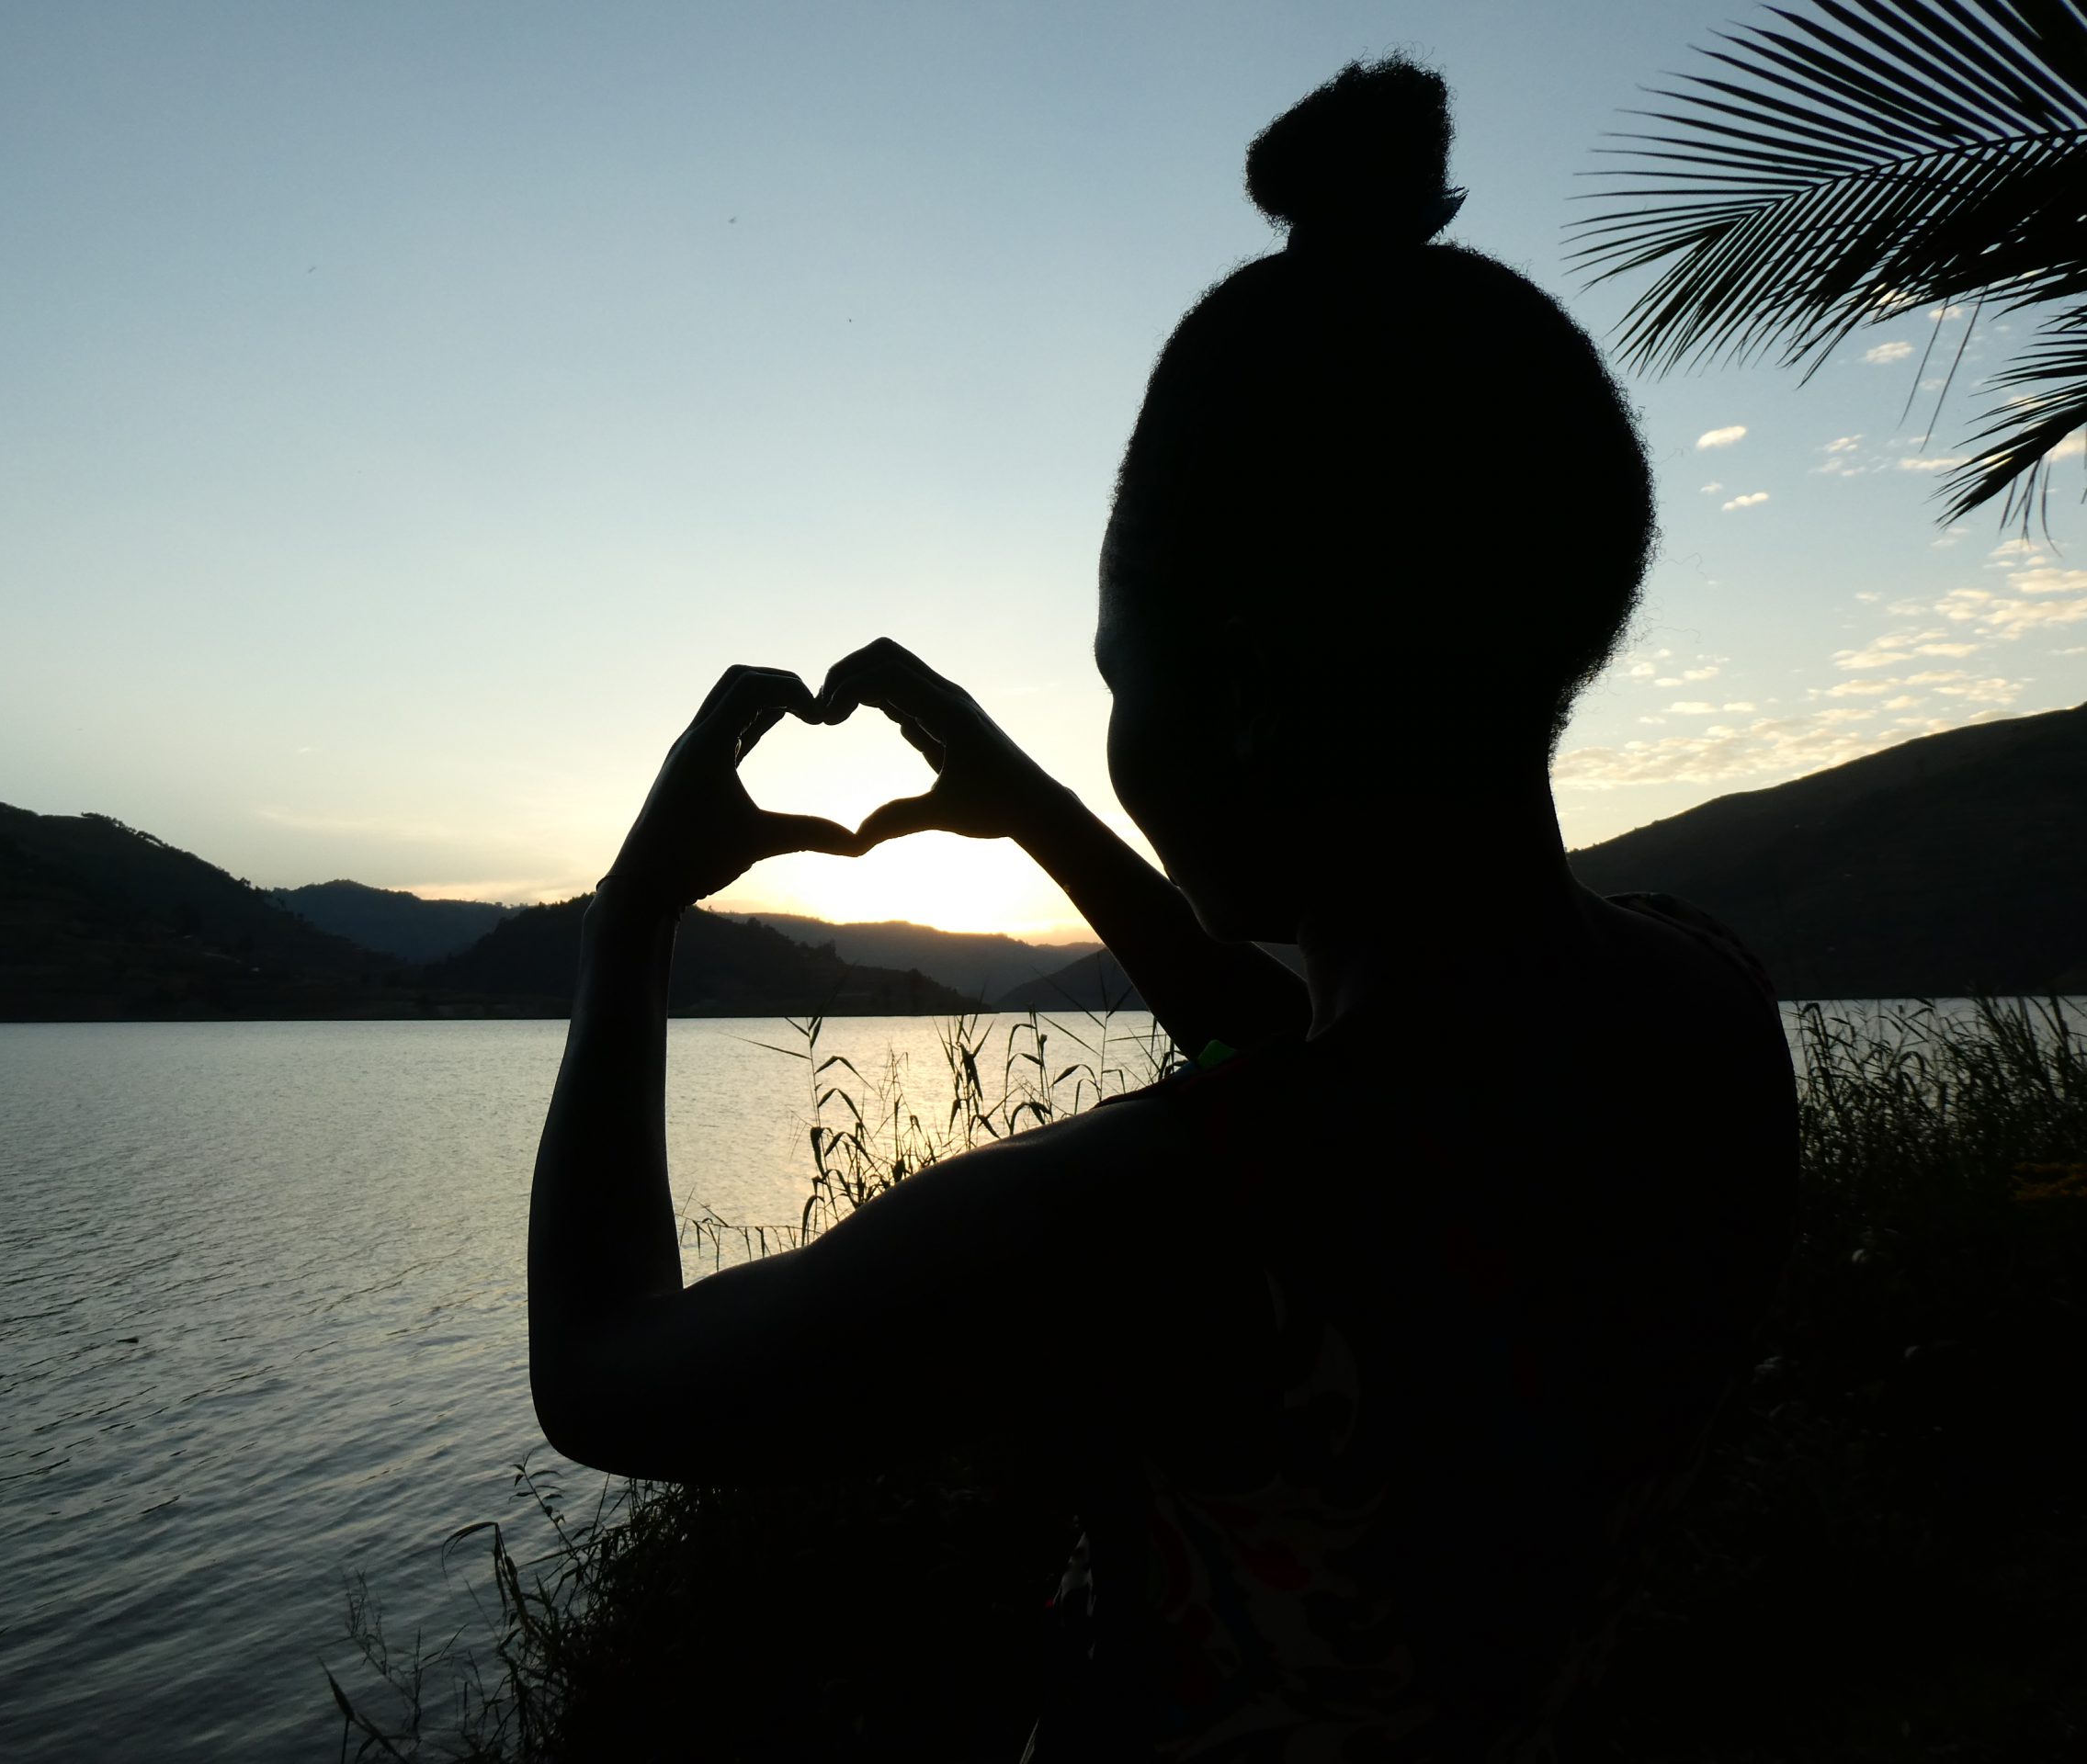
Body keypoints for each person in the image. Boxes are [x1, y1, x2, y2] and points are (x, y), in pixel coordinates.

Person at [528, 55, 1798, 1761]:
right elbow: (1304, 1050)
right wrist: (1040, 812)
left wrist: (627, 929)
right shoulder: (1704, 1005)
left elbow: (606, 1376)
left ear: (1246, 698)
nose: (1111, 729)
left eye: (1122, 676)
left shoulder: (1157, 1212)